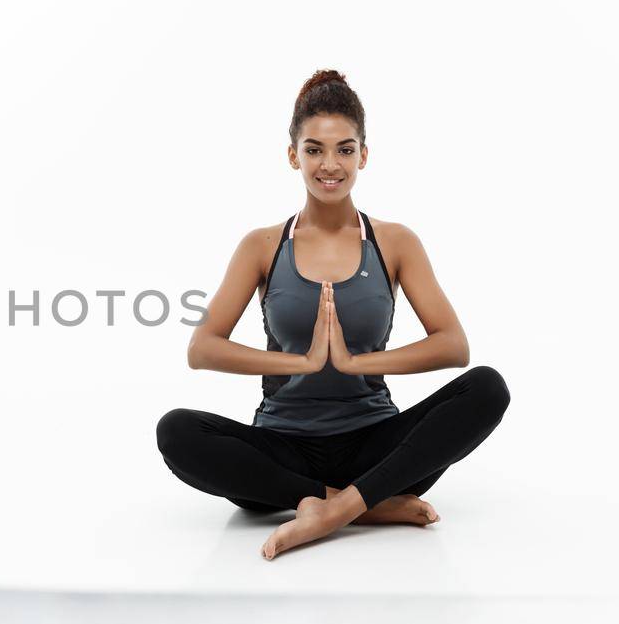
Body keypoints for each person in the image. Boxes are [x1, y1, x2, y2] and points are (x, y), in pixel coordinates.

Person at [154, 69, 511, 561]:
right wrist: (301, 363)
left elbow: (454, 345)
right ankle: (354, 505)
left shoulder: (395, 241)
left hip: (376, 446)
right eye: (314, 149)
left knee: (488, 387)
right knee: (176, 431)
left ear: (363, 155)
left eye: (345, 149)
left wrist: (352, 363)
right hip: (282, 450)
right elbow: (202, 348)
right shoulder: (261, 245)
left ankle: (334, 508)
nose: (330, 164)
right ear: (292, 155)